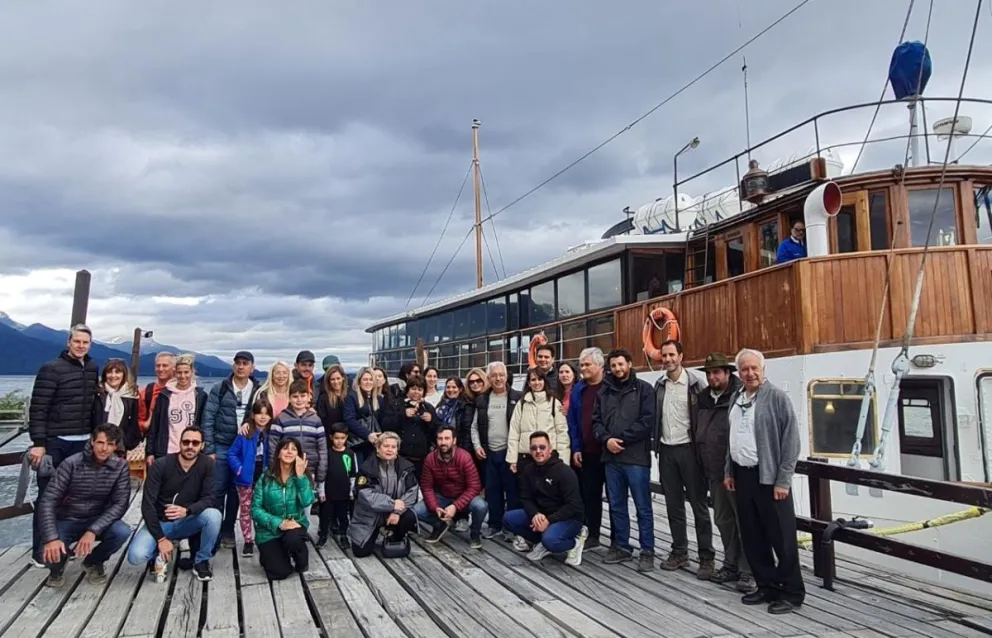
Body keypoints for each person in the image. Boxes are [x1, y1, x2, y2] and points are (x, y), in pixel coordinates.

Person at [724, 348, 805, 615]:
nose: (749, 373)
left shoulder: (777, 398)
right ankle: (766, 585)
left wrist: (783, 480)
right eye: (744, 369)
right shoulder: (737, 398)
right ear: (739, 373)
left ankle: (792, 593)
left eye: (754, 368)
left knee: (781, 537)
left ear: (763, 369)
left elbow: (791, 441)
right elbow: (732, 439)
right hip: (743, 475)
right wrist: (728, 471)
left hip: (769, 478)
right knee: (753, 535)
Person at [29, 323, 101, 568]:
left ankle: (62, 544)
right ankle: (39, 550)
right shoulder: (51, 369)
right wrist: (39, 443)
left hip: (83, 443)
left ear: (90, 345)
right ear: (68, 342)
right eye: (77, 341)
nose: (81, 346)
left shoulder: (92, 368)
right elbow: (38, 408)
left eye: (85, 342)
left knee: (74, 497)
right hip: (55, 443)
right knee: (47, 496)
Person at [38, 423, 131, 588]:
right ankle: (57, 567)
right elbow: (48, 500)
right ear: (92, 441)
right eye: (100, 442)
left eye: (110, 444)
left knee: (122, 531)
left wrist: (93, 530)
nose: (104, 448)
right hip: (67, 518)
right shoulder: (71, 463)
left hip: (96, 517)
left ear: (115, 446)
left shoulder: (120, 466)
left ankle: (94, 561)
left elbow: (120, 504)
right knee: (47, 552)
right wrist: (51, 538)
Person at [693, 353, 755, 593]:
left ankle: (748, 570)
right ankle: (731, 563)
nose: (712, 377)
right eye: (709, 373)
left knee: (744, 521)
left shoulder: (739, 396)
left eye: (717, 372)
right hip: (712, 470)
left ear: (728, 373)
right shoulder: (703, 398)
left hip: (735, 472)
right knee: (723, 520)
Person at [128, 426, 221, 583]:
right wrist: (160, 539)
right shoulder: (161, 465)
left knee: (214, 516)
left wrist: (187, 510)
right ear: (180, 443)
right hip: (161, 522)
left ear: (202, 446)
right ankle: (157, 553)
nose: (190, 446)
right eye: (186, 442)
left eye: (195, 443)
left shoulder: (207, 464)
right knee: (136, 556)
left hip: (188, 520)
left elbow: (210, 498)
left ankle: (201, 560)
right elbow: (147, 505)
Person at [654, 339, 715, 577]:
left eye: (672, 355)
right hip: (666, 450)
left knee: (699, 505)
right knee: (673, 505)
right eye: (664, 355)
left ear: (681, 356)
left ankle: (706, 557)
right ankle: (680, 551)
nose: (668, 359)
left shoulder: (696, 385)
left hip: (689, 450)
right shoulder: (660, 385)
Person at [593, 348, 657, 572]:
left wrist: (621, 439)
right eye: (613, 365)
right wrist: (606, 439)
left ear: (629, 363)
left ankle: (647, 550)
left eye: (621, 364)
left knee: (643, 506)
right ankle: (621, 546)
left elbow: (647, 421)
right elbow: (596, 421)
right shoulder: (604, 392)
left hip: (636, 458)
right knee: (616, 505)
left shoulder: (644, 389)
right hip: (611, 458)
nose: (617, 369)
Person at [202, 351, 260, 549]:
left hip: (243, 447)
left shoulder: (257, 390)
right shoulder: (220, 388)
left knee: (237, 491)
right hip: (221, 444)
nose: (241, 366)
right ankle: (214, 531)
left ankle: (228, 530)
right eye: (238, 363)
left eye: (245, 363)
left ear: (252, 367)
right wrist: (209, 448)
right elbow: (208, 418)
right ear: (233, 366)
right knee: (217, 490)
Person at [503, 431, 586, 566]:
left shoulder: (564, 472)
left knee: (551, 541)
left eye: (542, 447)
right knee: (509, 519)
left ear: (550, 448)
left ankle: (575, 543)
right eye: (534, 448)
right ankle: (541, 541)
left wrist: (549, 520)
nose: (538, 451)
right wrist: (535, 514)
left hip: (568, 518)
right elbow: (525, 497)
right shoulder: (528, 470)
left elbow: (574, 505)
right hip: (543, 514)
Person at [252, 438, 315, 580]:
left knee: (293, 539)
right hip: (269, 530)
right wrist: (279, 523)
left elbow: (307, 501)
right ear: (278, 453)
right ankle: (272, 555)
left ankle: (299, 558)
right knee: (279, 573)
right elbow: (255, 509)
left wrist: (300, 477)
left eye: (294, 449)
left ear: (298, 455)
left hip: (294, 525)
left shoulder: (301, 477)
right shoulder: (266, 477)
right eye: (285, 448)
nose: (289, 452)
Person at [348, 432, 419, 558]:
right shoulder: (366, 468)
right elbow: (366, 496)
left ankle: (393, 536)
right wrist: (392, 504)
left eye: (393, 447)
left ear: (397, 450)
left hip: (394, 513)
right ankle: (376, 532)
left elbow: (412, 492)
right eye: (386, 446)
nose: (389, 450)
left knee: (410, 516)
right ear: (377, 448)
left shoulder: (406, 468)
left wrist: (397, 512)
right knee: (361, 552)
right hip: (370, 516)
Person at [471, 361, 521, 541]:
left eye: (501, 375)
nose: (498, 378)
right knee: (492, 491)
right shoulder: (482, 399)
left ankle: (512, 528)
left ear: (506, 376)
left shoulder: (517, 397)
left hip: (510, 452)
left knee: (513, 492)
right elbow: (474, 426)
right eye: (494, 375)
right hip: (489, 453)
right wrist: (477, 446)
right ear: (488, 378)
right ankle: (494, 525)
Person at [414, 425, 487, 548]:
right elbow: (427, 487)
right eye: (440, 438)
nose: (443, 442)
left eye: (447, 438)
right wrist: (435, 507)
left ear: (454, 441)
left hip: (463, 496)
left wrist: (455, 506)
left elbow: (474, 487)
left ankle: (475, 533)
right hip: (442, 496)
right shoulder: (430, 458)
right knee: (416, 511)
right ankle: (439, 524)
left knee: (481, 506)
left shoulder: (464, 457)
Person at [567, 347, 608, 549]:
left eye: (587, 364)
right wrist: (576, 448)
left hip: (609, 451)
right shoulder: (578, 389)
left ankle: (619, 540)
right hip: (587, 451)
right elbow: (573, 421)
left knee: (615, 497)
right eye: (581, 365)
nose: (582, 368)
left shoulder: (609, 386)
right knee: (590, 495)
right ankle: (593, 534)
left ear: (600, 365)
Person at [228, 399, 273, 558]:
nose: (263, 417)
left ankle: (264, 538)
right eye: (259, 413)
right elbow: (232, 454)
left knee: (264, 508)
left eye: (266, 414)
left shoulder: (271, 433)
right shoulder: (245, 433)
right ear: (253, 415)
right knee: (246, 510)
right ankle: (248, 540)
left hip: (265, 476)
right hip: (246, 477)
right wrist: (239, 469)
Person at [507, 367, 569, 483]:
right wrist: (512, 459)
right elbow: (514, 432)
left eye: (540, 379)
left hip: (549, 457)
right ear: (529, 383)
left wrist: (564, 460)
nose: (537, 383)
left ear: (545, 381)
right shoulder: (522, 404)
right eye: (533, 380)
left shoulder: (554, 403)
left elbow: (562, 433)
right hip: (526, 457)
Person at [267, 379, 327, 497]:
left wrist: (321, 475)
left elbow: (322, 449)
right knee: (287, 504)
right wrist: (274, 470)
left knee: (306, 504)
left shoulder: (316, 420)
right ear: (289, 398)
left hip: (310, 471)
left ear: (309, 397)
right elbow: (273, 446)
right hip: (286, 471)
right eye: (295, 396)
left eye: (303, 396)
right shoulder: (281, 419)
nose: (299, 400)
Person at [145, 354, 207, 466]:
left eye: (186, 372)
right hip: (167, 451)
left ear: (192, 372)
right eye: (179, 372)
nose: (183, 376)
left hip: (192, 451)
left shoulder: (200, 396)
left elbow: (205, 425)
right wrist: (150, 452)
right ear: (175, 373)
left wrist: (205, 450)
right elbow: (154, 426)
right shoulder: (164, 395)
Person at [318, 422, 358, 550]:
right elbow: (322, 474)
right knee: (325, 516)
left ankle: (343, 535)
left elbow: (353, 474)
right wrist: (321, 492)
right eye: (336, 438)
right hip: (329, 492)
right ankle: (323, 536)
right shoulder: (327, 454)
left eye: (342, 438)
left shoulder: (350, 454)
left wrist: (351, 491)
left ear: (346, 437)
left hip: (344, 492)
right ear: (331, 437)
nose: (339, 441)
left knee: (343, 516)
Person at [386, 377, 436, 479]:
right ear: (407, 389)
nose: (416, 392)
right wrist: (402, 414)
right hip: (400, 456)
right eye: (413, 389)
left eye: (420, 389)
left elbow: (436, 431)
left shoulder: (428, 407)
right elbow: (386, 424)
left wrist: (431, 421)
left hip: (421, 458)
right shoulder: (396, 404)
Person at [92, 358, 140, 453]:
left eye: (117, 372)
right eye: (109, 372)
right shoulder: (97, 394)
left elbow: (133, 423)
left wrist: (125, 442)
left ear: (124, 374)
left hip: (119, 447)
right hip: (96, 446)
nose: (113, 375)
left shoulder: (131, 396)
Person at [343, 367, 385, 464]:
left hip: (375, 444)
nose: (368, 382)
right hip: (358, 444)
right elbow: (349, 419)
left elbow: (382, 419)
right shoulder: (352, 397)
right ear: (359, 381)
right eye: (365, 379)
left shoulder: (379, 399)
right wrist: (367, 434)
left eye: (371, 379)